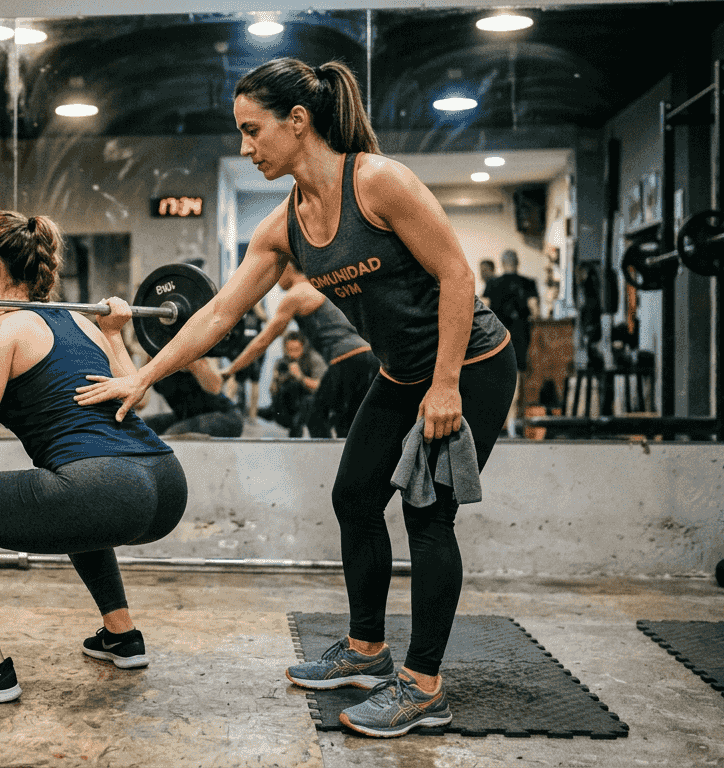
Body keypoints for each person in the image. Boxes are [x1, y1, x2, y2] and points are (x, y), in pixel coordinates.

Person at [75, 57, 516, 738]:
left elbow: (457, 275)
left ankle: (425, 687)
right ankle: (367, 651)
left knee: (429, 513)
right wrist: (145, 374)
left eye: (254, 131)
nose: (246, 148)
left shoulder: (377, 182)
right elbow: (219, 311)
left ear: (299, 122)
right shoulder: (284, 225)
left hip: (473, 364)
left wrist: (448, 384)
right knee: (354, 496)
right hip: (400, 375)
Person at [0, 211, 187, 704]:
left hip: (105, 488)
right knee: (73, 494)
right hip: (163, 481)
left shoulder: (1, 327)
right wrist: (116, 333)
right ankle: (121, 635)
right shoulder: (79, 320)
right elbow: (134, 397)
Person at [222, 263, 378, 438]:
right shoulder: (321, 288)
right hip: (370, 357)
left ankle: (326, 462)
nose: (275, 280)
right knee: (348, 423)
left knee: (315, 415)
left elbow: (263, 341)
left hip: (347, 359)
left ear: (288, 267)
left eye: (278, 272)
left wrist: (230, 369)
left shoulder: (296, 294)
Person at [482, 249, 539, 434]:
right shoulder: (528, 283)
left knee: (498, 381)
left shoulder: (492, 284)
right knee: (517, 382)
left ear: (502, 262)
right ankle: (514, 424)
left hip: (496, 338)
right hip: (520, 336)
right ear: (517, 262)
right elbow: (535, 310)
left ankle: (501, 424)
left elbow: (483, 309)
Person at [143, 356, 244, 438]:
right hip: (186, 417)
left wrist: (192, 360)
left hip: (226, 416)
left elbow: (215, 386)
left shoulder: (191, 352)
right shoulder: (153, 355)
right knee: (138, 428)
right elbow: (141, 403)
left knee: (173, 435)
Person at [259, 331, 324, 437]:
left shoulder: (313, 359)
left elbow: (320, 388)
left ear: (303, 348)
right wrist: (277, 379)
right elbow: (273, 390)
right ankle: (273, 413)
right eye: (289, 350)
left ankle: (296, 427)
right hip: (287, 405)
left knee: (306, 402)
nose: (292, 354)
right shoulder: (282, 362)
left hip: (310, 402)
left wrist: (300, 377)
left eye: (296, 350)